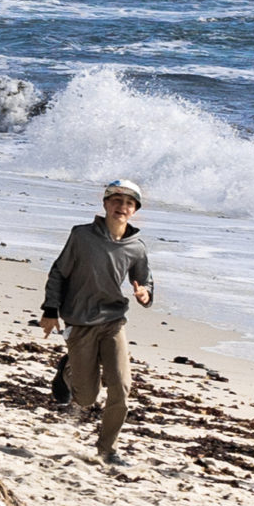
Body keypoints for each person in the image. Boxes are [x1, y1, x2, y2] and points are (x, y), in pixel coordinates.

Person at [39, 178, 154, 466]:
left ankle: (108, 449)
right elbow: (58, 273)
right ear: (105, 204)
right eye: (116, 200)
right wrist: (51, 310)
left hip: (114, 321)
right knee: (87, 398)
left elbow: (146, 280)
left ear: (135, 210)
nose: (122, 206)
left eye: (129, 203)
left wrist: (144, 293)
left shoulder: (136, 246)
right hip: (80, 322)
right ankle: (66, 368)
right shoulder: (81, 236)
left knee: (121, 386)